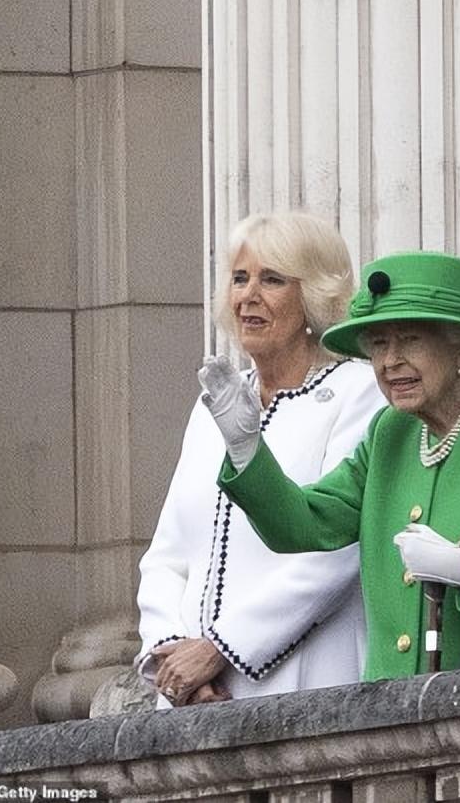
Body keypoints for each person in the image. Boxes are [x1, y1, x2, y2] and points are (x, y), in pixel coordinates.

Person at [200, 251, 460, 679]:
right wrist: (247, 448)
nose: (389, 361)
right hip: (388, 711)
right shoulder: (391, 432)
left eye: (410, 340)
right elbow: (304, 523)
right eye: (379, 344)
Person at [135, 211, 384, 706]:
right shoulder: (216, 403)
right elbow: (167, 554)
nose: (249, 294)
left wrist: (221, 650)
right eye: (240, 278)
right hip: (192, 693)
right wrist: (171, 653)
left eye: (272, 279)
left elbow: (337, 551)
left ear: (314, 295)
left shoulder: (358, 392)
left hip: (306, 676)